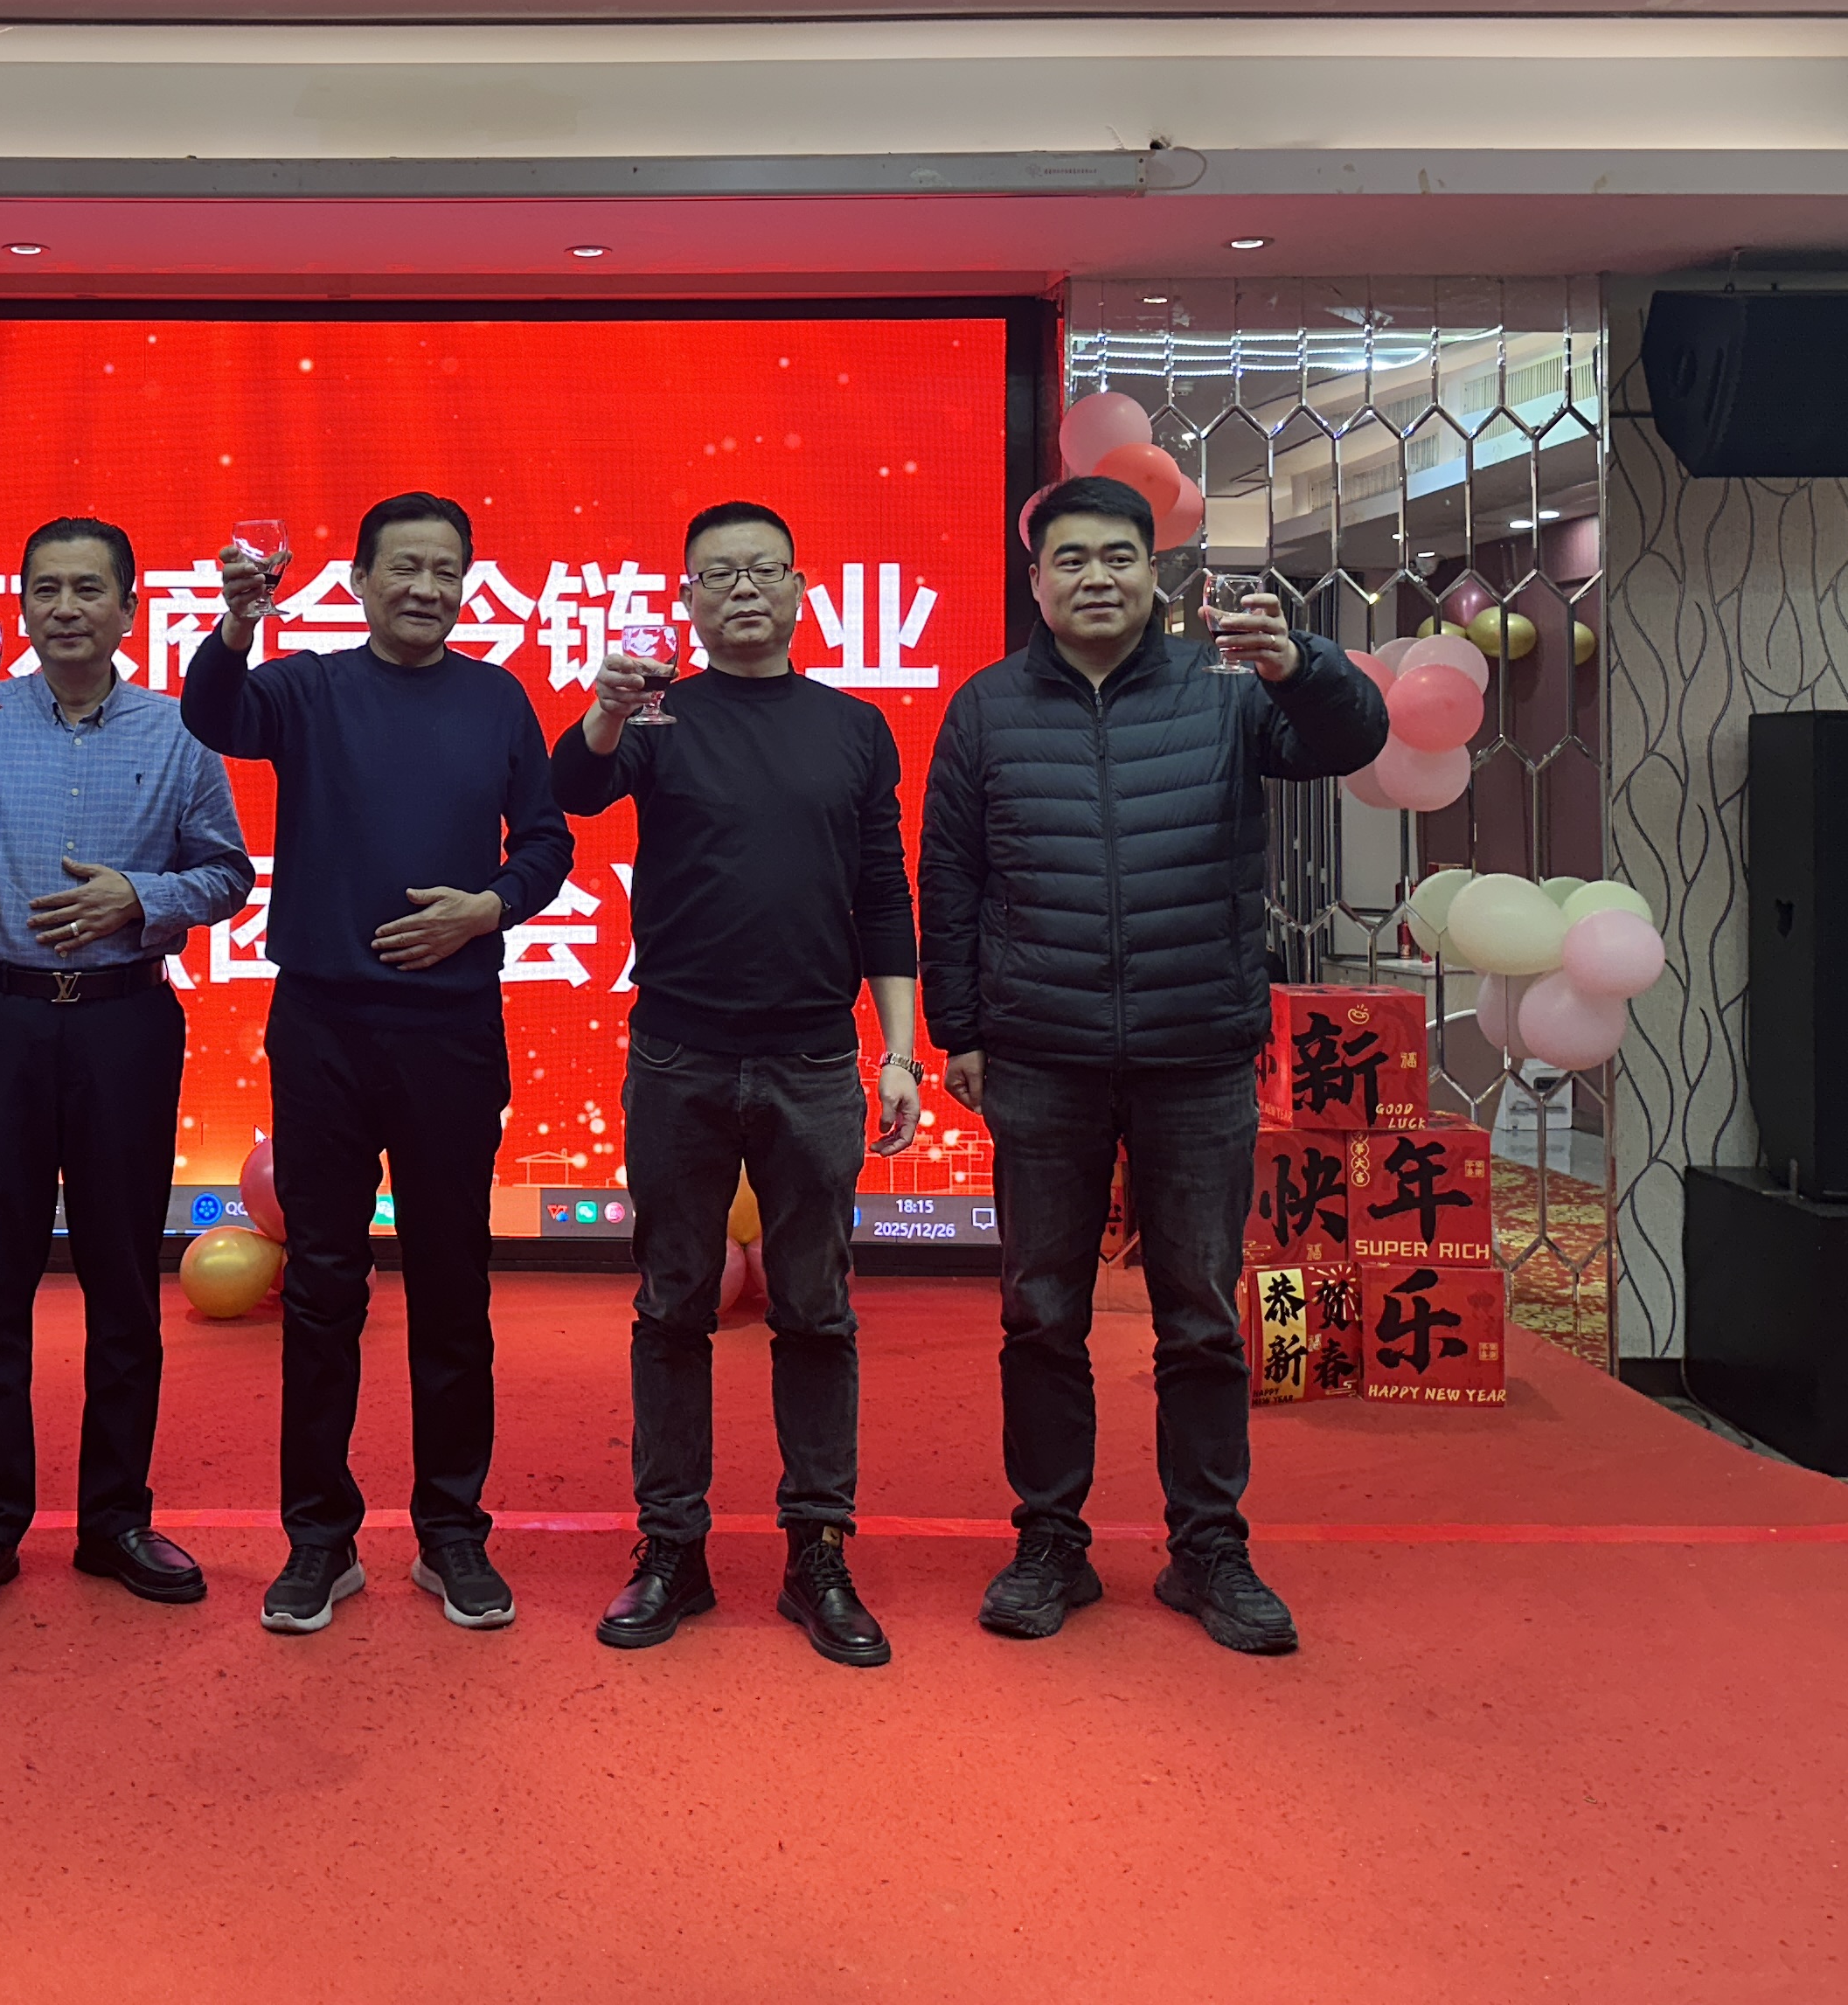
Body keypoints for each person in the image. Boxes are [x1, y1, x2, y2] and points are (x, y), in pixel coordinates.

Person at [919, 472, 1386, 1656]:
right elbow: (952, 878)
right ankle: (1049, 1542)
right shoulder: (985, 709)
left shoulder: (1227, 690)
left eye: (1118, 557)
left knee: (1203, 1318)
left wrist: (1302, 663)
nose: (1096, 578)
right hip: (1041, 1055)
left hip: (1197, 1053)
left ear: (1154, 574)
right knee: (1040, 1313)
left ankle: (1208, 1549)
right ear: (1035, 581)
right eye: (1070, 559)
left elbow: (1353, 740)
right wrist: (959, 1032)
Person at [184, 492, 573, 1637]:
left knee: (453, 1285)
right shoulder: (307, 689)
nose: (426, 587)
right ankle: (319, 1538)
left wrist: (487, 908)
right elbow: (216, 715)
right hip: (324, 1027)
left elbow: (546, 843)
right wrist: (237, 623)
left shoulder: (497, 699)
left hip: (452, 1028)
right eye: (404, 566)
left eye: (446, 569)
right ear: (358, 581)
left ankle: (452, 1533)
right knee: (322, 1287)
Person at [550, 502, 921, 1669]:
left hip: (814, 1058)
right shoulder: (658, 716)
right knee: (673, 1304)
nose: (744, 589)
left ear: (803, 589)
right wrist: (608, 705)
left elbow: (884, 893)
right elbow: (573, 787)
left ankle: (819, 1551)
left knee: (816, 1309)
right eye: (719, 575)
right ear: (690, 599)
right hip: (679, 1056)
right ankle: (674, 1548)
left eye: (764, 570)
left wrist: (898, 1050)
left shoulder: (854, 727)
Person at [0, 517, 254, 1624]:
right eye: (46, 590)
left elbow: (227, 873)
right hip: (3, 1021)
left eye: (90, 590)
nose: (66, 608)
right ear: (24, 608)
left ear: (130, 607)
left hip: (127, 1023)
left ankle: (115, 1518)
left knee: (124, 1279)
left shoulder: (179, 729)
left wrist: (143, 897)